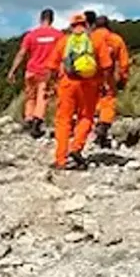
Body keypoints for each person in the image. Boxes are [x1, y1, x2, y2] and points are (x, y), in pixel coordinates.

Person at [50, 12, 114, 170]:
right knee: (86, 117)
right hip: (90, 86)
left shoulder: (64, 41)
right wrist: (106, 83)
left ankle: (60, 159)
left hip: (67, 85)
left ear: (71, 26)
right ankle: (76, 148)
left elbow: (52, 66)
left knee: (63, 120)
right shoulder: (96, 40)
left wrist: (52, 83)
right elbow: (107, 66)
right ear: (87, 25)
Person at [8, 9, 64, 139]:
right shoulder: (58, 35)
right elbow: (63, 55)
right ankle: (37, 123)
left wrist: (13, 71)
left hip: (31, 71)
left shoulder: (31, 35)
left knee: (30, 97)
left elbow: (21, 53)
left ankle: (28, 118)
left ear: (40, 19)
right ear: (52, 19)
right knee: (42, 98)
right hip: (47, 73)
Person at [94, 15, 131, 148]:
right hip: (108, 77)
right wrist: (123, 79)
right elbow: (124, 63)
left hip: (89, 77)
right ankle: (103, 125)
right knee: (108, 102)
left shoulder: (89, 38)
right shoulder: (116, 39)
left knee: (91, 103)